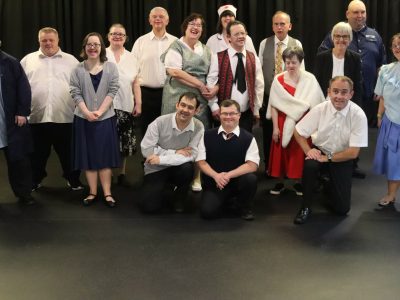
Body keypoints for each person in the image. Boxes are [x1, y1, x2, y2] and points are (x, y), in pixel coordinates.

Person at [293, 76, 368, 224]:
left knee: (342, 209)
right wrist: (308, 150)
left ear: (351, 94)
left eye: (344, 92)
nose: (339, 96)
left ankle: (326, 184)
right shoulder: (321, 109)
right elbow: (298, 131)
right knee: (310, 166)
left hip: (342, 157)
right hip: (320, 150)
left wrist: (327, 158)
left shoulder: (358, 115)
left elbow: (353, 153)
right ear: (329, 92)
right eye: (335, 91)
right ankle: (305, 207)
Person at [20, 27, 82, 191]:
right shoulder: (28, 60)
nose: (47, 43)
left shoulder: (71, 61)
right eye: (44, 40)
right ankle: (35, 180)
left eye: (51, 40)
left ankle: (73, 180)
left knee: (69, 153)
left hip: (65, 116)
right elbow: (19, 87)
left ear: (57, 40)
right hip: (36, 117)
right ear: (39, 41)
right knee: (36, 155)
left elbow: (81, 86)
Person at [161, 13, 213, 192]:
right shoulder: (176, 45)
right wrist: (199, 83)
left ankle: (196, 177)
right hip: (176, 94)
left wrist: (209, 88)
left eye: (199, 25)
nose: (195, 27)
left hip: (199, 99)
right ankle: (171, 176)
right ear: (185, 26)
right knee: (172, 136)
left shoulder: (206, 49)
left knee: (198, 137)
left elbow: (212, 73)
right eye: (192, 23)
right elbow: (174, 71)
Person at [70, 32, 120, 208]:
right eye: (89, 44)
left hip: (105, 119)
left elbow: (113, 90)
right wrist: (87, 112)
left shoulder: (111, 67)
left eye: (96, 44)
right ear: (84, 47)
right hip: (83, 119)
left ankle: (107, 193)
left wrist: (99, 111)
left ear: (101, 47)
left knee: (104, 157)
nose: (93, 47)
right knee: (88, 157)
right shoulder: (77, 69)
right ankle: (92, 192)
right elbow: (75, 92)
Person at [318, 0, 386, 128]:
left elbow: (381, 65)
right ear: (347, 14)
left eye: (363, 12)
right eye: (355, 12)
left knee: (365, 134)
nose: (360, 15)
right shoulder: (339, 33)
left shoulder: (375, 35)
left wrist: (380, 88)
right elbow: (324, 61)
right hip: (342, 97)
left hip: (369, 96)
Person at [266, 47, 324, 196]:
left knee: (298, 152)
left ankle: (298, 182)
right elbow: (273, 105)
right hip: (281, 121)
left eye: (294, 62)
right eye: (288, 62)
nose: (290, 65)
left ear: (300, 62)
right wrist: (275, 128)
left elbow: (317, 104)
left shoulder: (309, 79)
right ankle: (280, 182)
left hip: (303, 124)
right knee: (281, 152)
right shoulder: (278, 79)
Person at [140, 92, 204, 213]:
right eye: (183, 105)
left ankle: (179, 197)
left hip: (177, 167)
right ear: (177, 105)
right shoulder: (159, 122)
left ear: (196, 111)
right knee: (149, 208)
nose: (185, 110)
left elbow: (192, 154)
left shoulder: (199, 126)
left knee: (187, 168)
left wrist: (161, 157)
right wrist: (175, 152)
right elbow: (147, 150)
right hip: (156, 168)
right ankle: (164, 187)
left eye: (190, 107)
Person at [196, 99, 259, 221]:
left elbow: (252, 165)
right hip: (214, 183)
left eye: (232, 113)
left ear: (239, 115)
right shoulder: (206, 135)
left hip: (237, 183)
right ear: (219, 115)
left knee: (250, 179)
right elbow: (201, 161)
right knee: (207, 213)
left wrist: (228, 175)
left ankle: (243, 206)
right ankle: (226, 202)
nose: (228, 117)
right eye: (224, 113)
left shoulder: (249, 138)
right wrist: (216, 176)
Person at [258, 11, 304, 175]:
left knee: (288, 132)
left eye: (282, 24)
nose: (279, 27)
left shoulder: (296, 43)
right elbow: (259, 71)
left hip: (289, 99)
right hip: (268, 97)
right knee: (269, 132)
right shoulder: (264, 43)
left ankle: (288, 168)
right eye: (276, 24)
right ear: (272, 26)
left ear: (289, 26)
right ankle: (270, 167)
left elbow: (301, 72)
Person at [207, 20, 264, 133]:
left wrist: (256, 109)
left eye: (243, 33)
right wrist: (214, 107)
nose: (241, 36)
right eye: (236, 34)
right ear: (228, 37)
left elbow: (259, 85)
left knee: (243, 147)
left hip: (246, 114)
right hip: (224, 114)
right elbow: (211, 83)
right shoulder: (217, 57)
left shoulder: (254, 58)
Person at [131, 7, 177, 136]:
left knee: (168, 132)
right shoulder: (140, 42)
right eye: (154, 16)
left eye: (161, 16)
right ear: (150, 20)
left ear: (167, 21)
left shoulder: (176, 42)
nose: (158, 19)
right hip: (146, 94)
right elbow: (133, 70)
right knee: (147, 133)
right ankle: (148, 157)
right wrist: (136, 98)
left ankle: (165, 157)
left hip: (170, 93)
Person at [0, 45, 36, 205]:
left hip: (10, 121)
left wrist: (22, 112)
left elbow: (24, 88)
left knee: (18, 160)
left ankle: (24, 193)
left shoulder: (10, 62)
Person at [106, 23, 141, 186]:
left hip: (126, 104)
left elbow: (135, 82)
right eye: (114, 34)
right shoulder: (100, 54)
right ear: (108, 36)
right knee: (106, 142)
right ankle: (107, 174)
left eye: (121, 34)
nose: (117, 36)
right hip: (104, 108)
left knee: (124, 142)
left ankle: (121, 173)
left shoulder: (132, 57)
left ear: (126, 38)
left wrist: (138, 103)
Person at [372, 33, 400, 209]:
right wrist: (379, 116)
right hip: (392, 122)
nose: (397, 47)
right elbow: (381, 97)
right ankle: (391, 195)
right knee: (393, 161)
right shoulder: (386, 70)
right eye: (395, 45)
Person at [314, 22, 362, 104]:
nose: (341, 40)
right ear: (332, 38)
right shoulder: (322, 57)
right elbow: (316, 84)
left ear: (350, 39)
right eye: (337, 36)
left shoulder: (355, 58)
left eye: (345, 36)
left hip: (347, 103)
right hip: (325, 102)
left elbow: (357, 85)